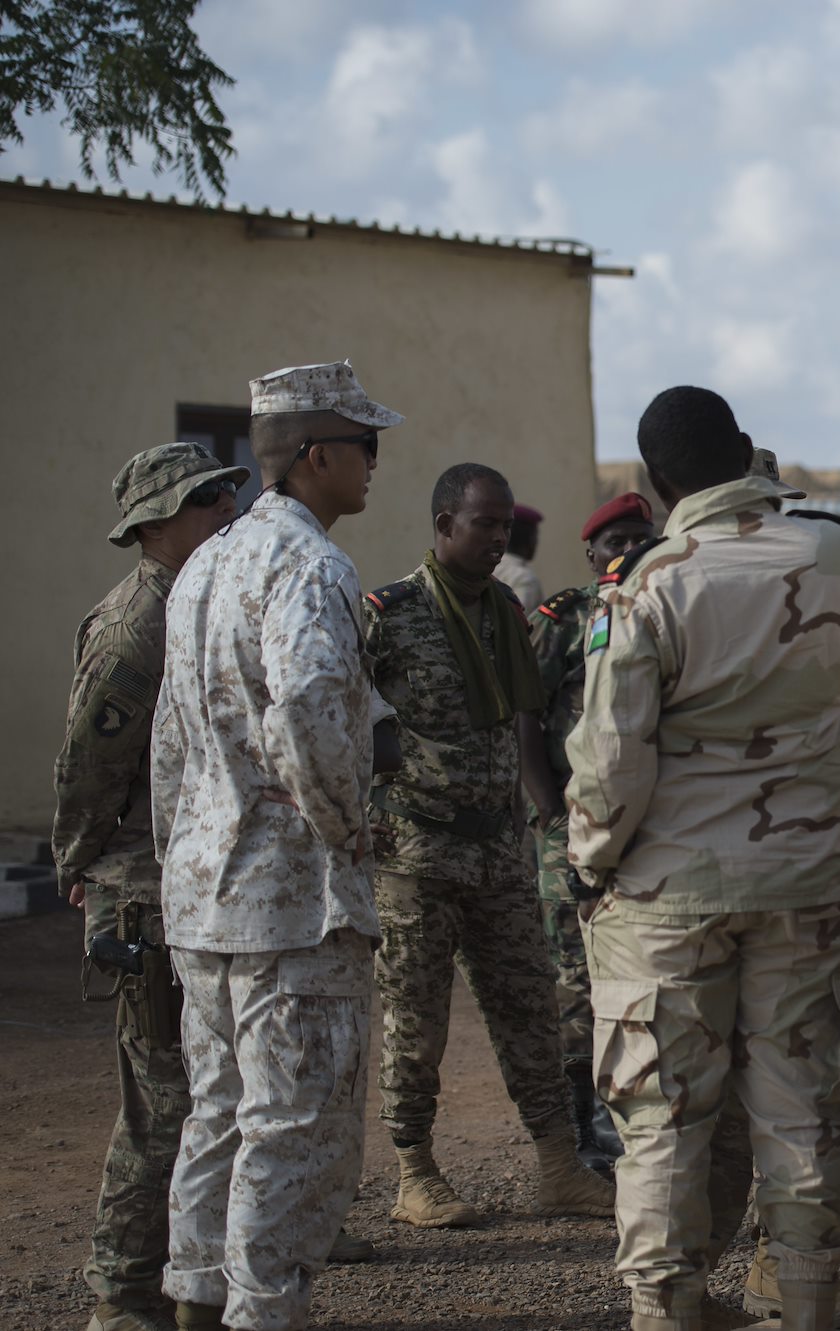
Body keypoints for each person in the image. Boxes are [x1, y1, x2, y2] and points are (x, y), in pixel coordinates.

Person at [568, 386, 840, 1331]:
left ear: (656, 485)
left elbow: (613, 761)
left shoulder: (647, 585)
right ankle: (807, 1303)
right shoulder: (838, 554)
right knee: (804, 1108)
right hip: (806, 884)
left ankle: (667, 1314)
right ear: (749, 450)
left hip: (670, 895)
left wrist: (591, 861)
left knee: (662, 1117)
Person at [151, 361, 401, 1331]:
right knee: (291, 1133)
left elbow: (173, 743)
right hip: (292, 905)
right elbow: (305, 706)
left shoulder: (204, 563)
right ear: (315, 455)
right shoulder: (309, 565)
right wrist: (345, 826)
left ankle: (194, 1302)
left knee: (216, 1116)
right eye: (364, 445)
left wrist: (184, 859)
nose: (376, 463)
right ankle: (261, 1313)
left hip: (205, 900)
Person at [361, 463, 613, 1229]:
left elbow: (522, 722)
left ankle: (559, 1167)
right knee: (416, 1019)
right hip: (417, 855)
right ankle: (415, 1172)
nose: (498, 537)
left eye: (504, 525)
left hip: (498, 852)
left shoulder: (507, 610)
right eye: (483, 524)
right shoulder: (389, 615)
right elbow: (342, 720)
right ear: (443, 526)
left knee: (530, 1009)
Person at [57, 443, 242, 1331]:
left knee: (212, 1092)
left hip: (197, 882)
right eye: (205, 497)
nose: (223, 507)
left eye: (224, 491)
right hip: (142, 889)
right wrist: (80, 867)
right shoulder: (139, 626)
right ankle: (119, 1296)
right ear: (156, 523)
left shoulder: (200, 600)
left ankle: (192, 1271)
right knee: (161, 1101)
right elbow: (87, 767)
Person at [521, 490, 660, 1170]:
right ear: (592, 554)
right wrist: (549, 812)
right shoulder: (565, 617)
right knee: (575, 981)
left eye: (641, 537)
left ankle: (636, 1118)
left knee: (640, 977)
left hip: (647, 829)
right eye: (616, 542)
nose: (629, 551)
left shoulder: (667, 602)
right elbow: (524, 714)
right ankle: (583, 1131)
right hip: (570, 825)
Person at [495, 502, 544, 607]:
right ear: (529, 539)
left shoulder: (487, 566)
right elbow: (519, 621)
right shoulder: (525, 579)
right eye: (535, 536)